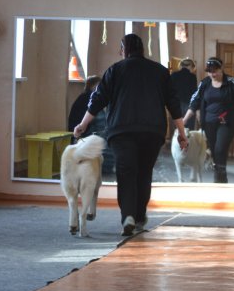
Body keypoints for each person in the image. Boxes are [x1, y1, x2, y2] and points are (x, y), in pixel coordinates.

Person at [73, 34, 188, 236]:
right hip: (152, 131)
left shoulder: (115, 70)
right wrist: (181, 132)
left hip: (122, 131)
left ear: (124, 49)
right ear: (142, 49)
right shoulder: (160, 71)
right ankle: (140, 216)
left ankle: (128, 216)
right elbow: (173, 103)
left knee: (126, 173)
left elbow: (97, 99)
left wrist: (83, 124)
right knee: (144, 173)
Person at [183, 57, 234, 183]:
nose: (212, 74)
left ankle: (219, 178)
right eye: (209, 71)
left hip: (227, 123)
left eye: (215, 71)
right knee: (215, 150)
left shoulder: (233, 83)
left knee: (220, 148)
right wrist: (184, 120)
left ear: (221, 69)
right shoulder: (204, 83)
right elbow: (194, 101)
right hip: (209, 123)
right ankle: (220, 176)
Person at [170, 58, 198, 130]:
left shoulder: (173, 75)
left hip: (176, 105)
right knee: (189, 128)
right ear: (190, 66)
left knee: (177, 128)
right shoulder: (192, 76)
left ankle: (177, 141)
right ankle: (188, 141)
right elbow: (194, 92)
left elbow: (170, 90)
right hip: (188, 105)